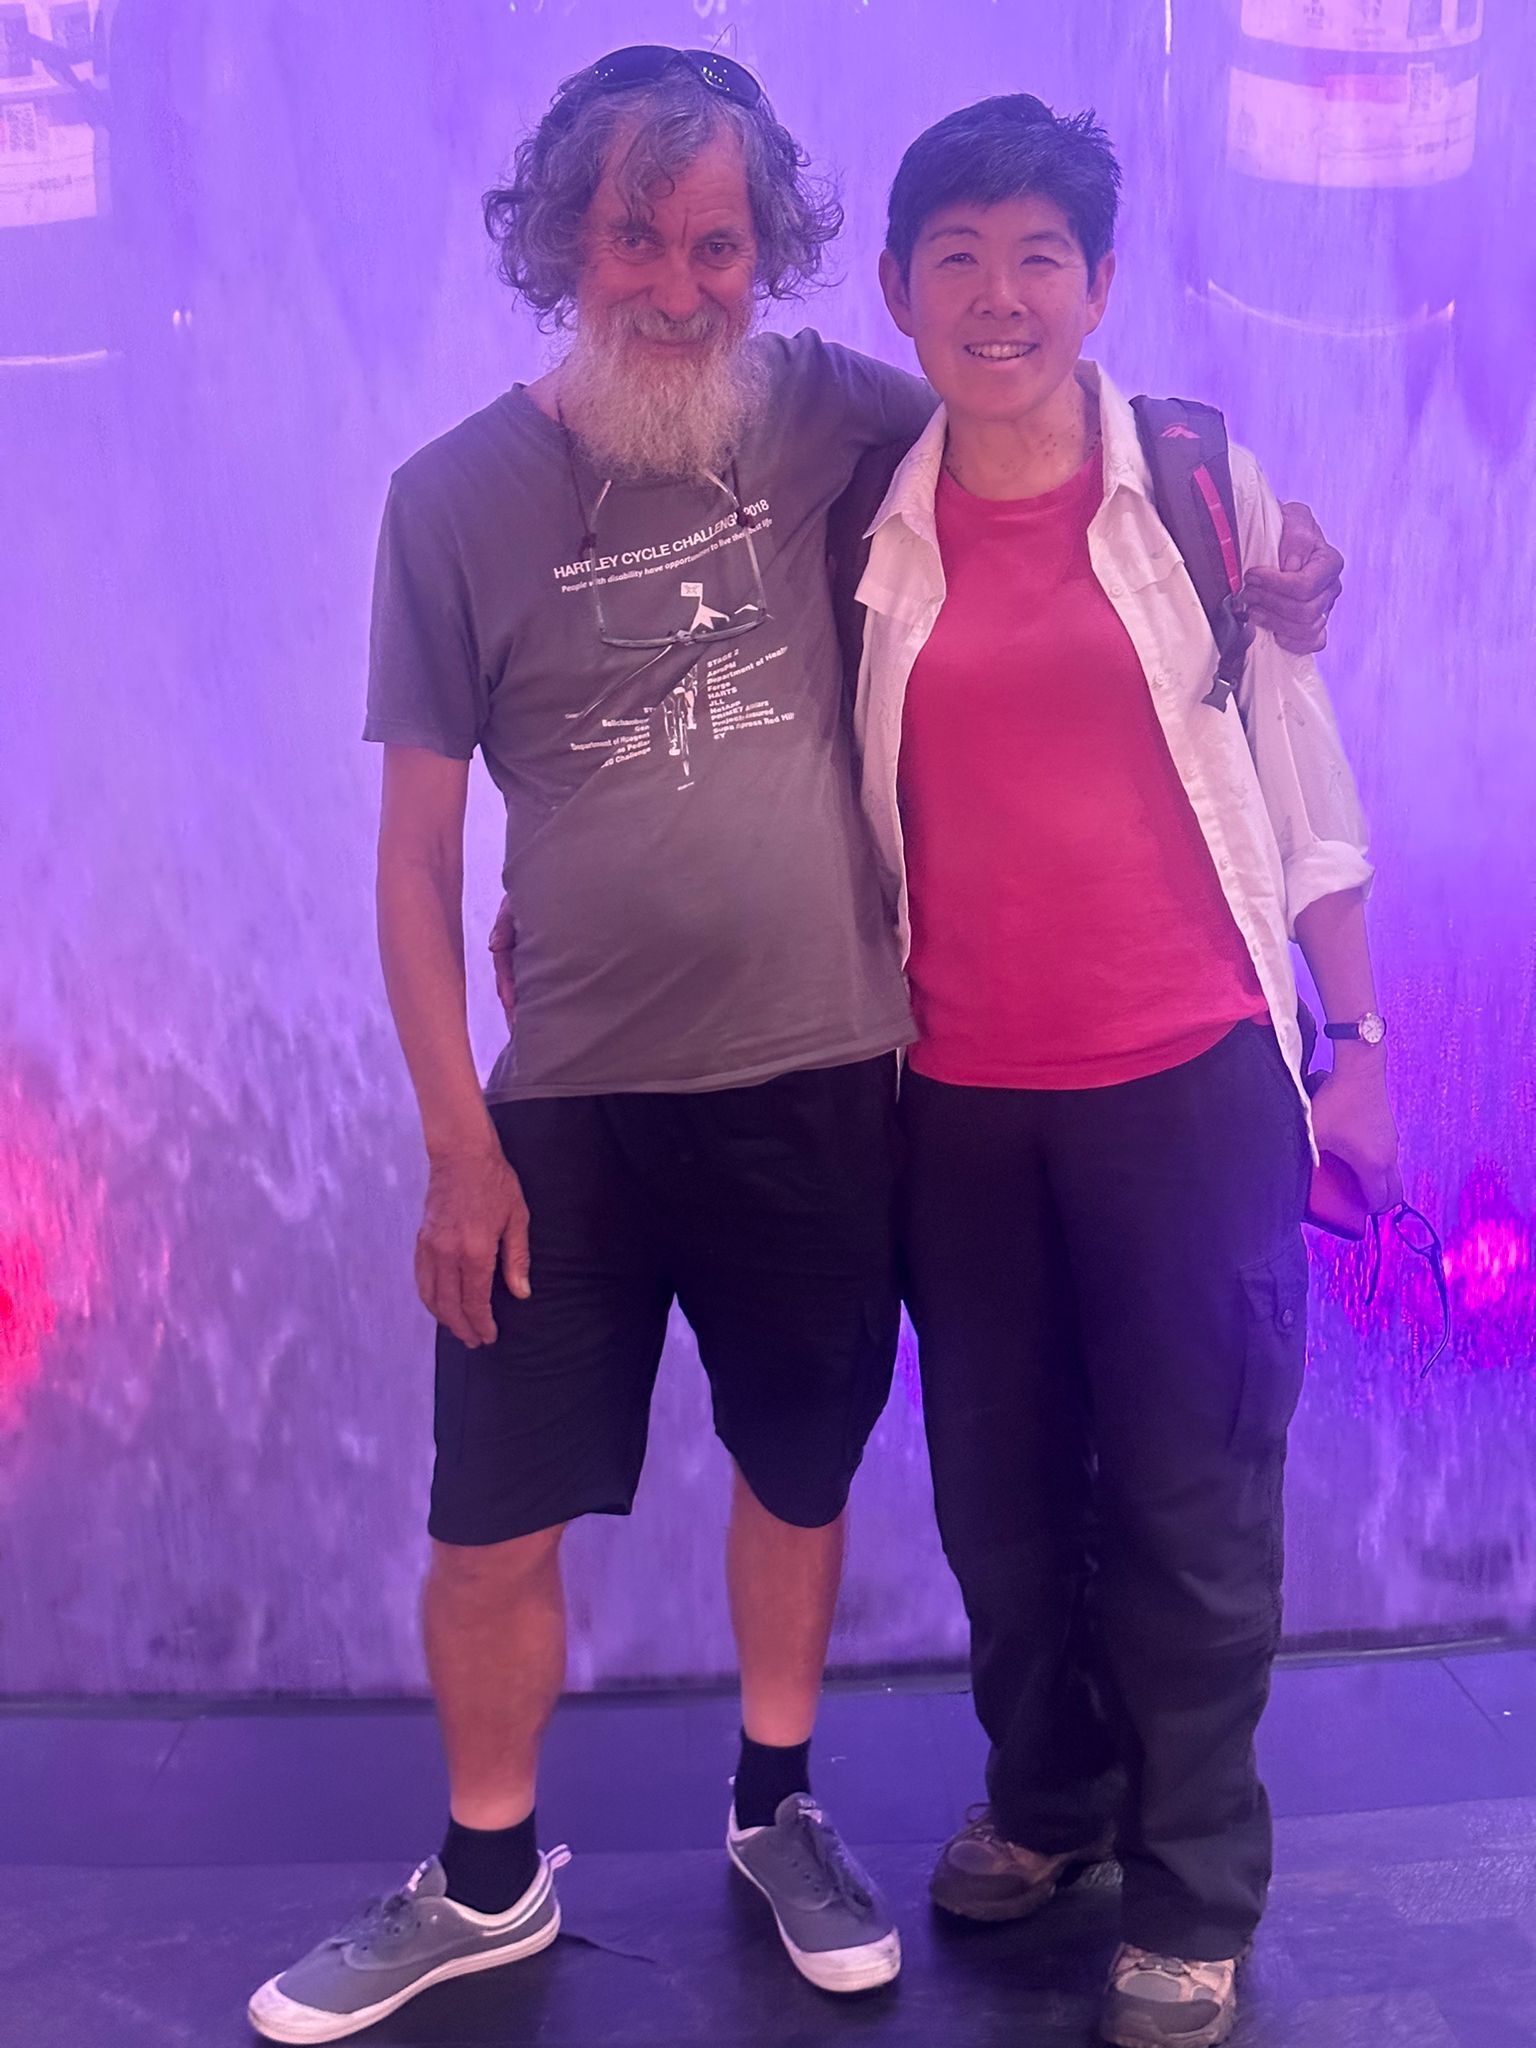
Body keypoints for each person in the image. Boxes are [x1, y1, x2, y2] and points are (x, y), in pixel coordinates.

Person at [248, 48, 1345, 2043]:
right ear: (562, 241)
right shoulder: (461, 501)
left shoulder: (865, 421)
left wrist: (1272, 545)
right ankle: (493, 1878)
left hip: (865, 1080)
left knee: (853, 1478)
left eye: (720, 245)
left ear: (776, 260)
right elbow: (412, 856)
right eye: (635, 238)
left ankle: (828, 1820)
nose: (678, 284)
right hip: (618, 1105)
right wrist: (454, 1135)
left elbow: (1056, 415)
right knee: (546, 1518)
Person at [850, 96, 1401, 2048]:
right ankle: (1053, 1802)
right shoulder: (867, 522)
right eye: (959, 256)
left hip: (1191, 1086)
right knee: (1004, 1503)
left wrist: (1357, 1042)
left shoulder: (1191, 483)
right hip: (959, 1107)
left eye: (1040, 258)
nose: (999, 296)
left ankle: (1191, 1892)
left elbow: (1301, 770)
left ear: (1095, 284)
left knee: (1191, 1499)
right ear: (896, 285)